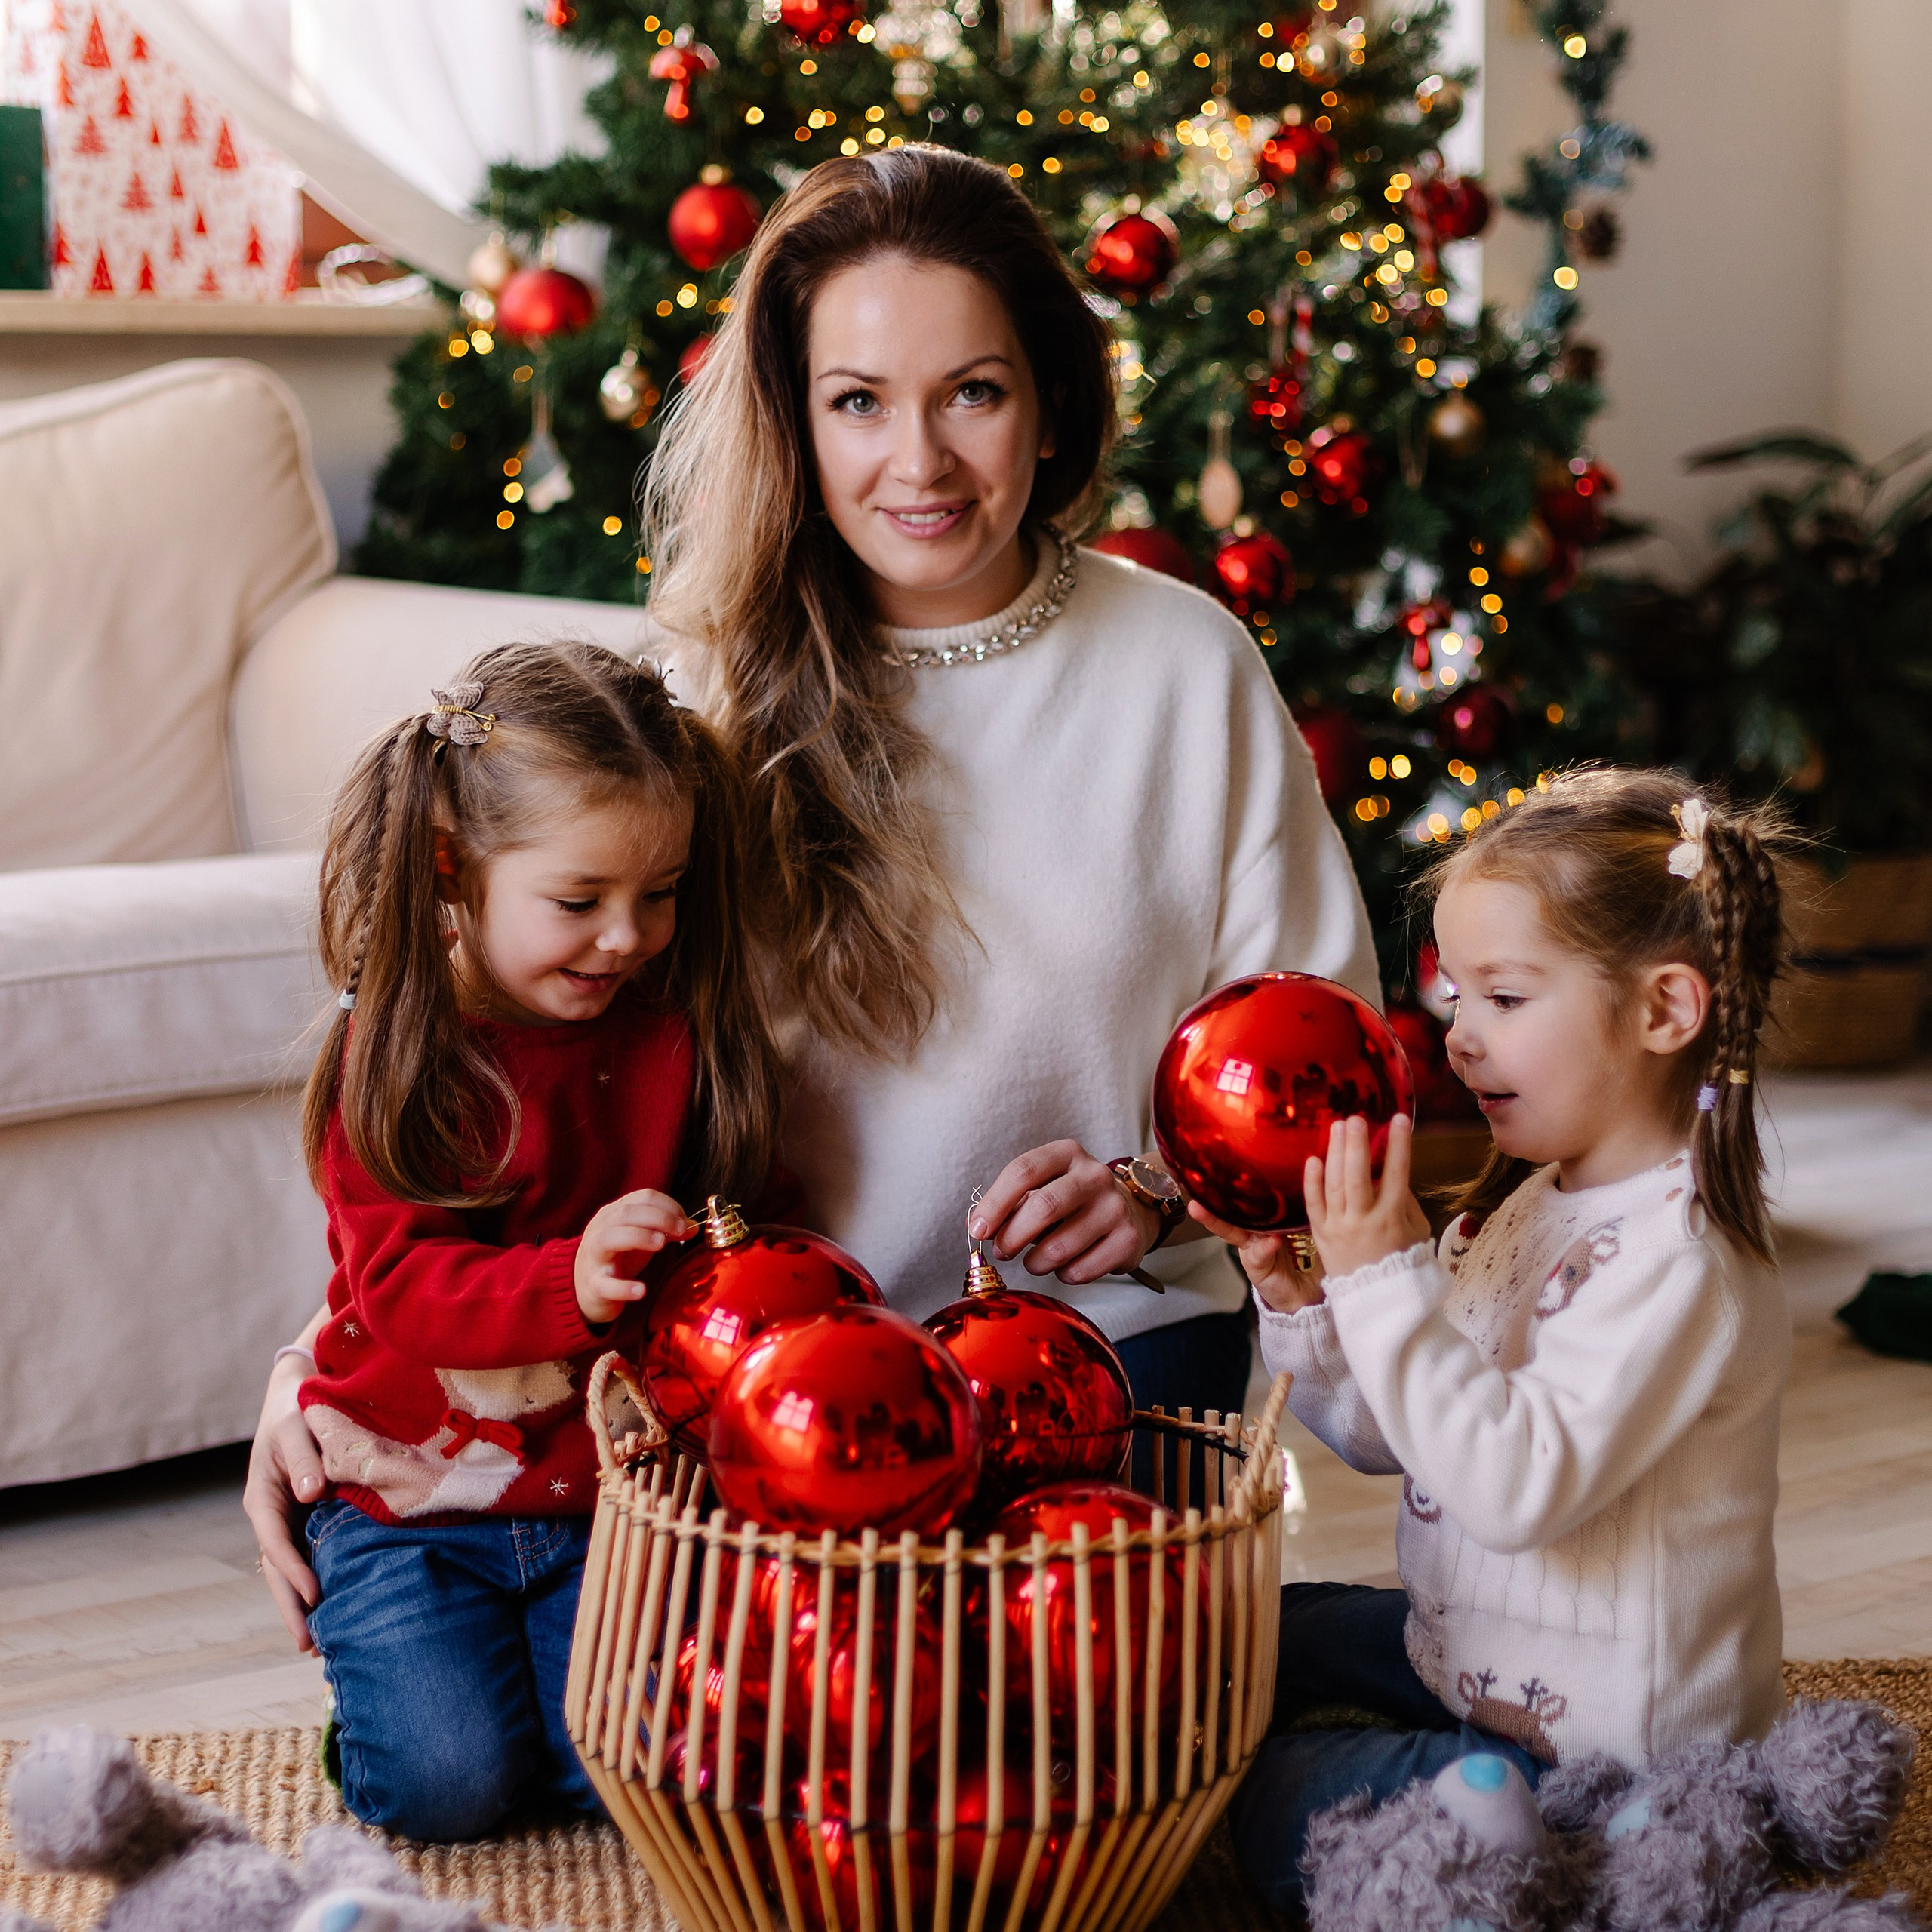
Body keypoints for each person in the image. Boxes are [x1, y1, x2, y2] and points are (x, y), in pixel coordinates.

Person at [248, 145, 1377, 1653]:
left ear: (1048, 401)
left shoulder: (1184, 668)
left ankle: (1375, 1659)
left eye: (970, 391)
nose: (916, 461)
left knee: (1072, 1710)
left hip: (1098, 1358)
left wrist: (1159, 1187)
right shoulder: (702, 685)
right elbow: (468, 1052)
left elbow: (1322, 1053)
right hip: (769, 1380)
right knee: (816, 1742)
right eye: (856, 402)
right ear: (794, 419)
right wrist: (313, 1367)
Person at [1198, 770, 1793, 1909]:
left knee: (1268, 1787)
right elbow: (1402, 1436)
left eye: (1505, 1000)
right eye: (1454, 996)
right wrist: (1303, 1300)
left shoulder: (1683, 1261)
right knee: (1248, 1631)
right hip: (1470, 1650)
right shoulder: (1533, 1201)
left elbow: (1511, 1489)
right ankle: (1465, 1787)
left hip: (1610, 1748)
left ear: (1667, 1012)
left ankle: (1516, 1840)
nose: (1457, 1039)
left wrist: (1386, 1280)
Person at [289, 641, 783, 1840]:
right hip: (409, 1505)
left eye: (657, 893)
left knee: (623, 1779)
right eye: (580, 902)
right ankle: (371, 1721)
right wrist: (570, 1277)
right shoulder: (401, 1053)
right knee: (447, 1783)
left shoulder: (664, 1035)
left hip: (597, 1506)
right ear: (456, 872)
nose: (627, 937)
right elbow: (404, 1289)